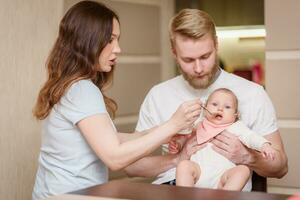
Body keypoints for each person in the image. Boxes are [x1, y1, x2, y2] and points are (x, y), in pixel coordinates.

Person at [31, 2, 202, 200]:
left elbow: (113, 139)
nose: (118, 49)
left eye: (118, 39)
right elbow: (115, 156)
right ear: (88, 41)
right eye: (110, 40)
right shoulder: (82, 89)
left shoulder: (70, 85)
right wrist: (173, 125)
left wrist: (169, 139)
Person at [125, 8, 288, 191]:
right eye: (188, 60)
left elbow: (281, 167)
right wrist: (178, 159)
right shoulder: (158, 95)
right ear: (174, 53)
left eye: (205, 56)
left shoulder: (252, 93)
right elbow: (132, 167)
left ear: (216, 44)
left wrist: (247, 157)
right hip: (174, 189)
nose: (198, 68)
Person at [173, 88, 276, 191]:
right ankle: (185, 196)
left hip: (224, 178)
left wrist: (264, 145)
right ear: (205, 109)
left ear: (235, 115)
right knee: (184, 166)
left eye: (227, 107)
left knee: (243, 171)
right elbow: (184, 136)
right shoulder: (198, 125)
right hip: (199, 174)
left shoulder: (236, 127)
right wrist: (178, 144)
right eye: (214, 104)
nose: (220, 109)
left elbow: (251, 137)